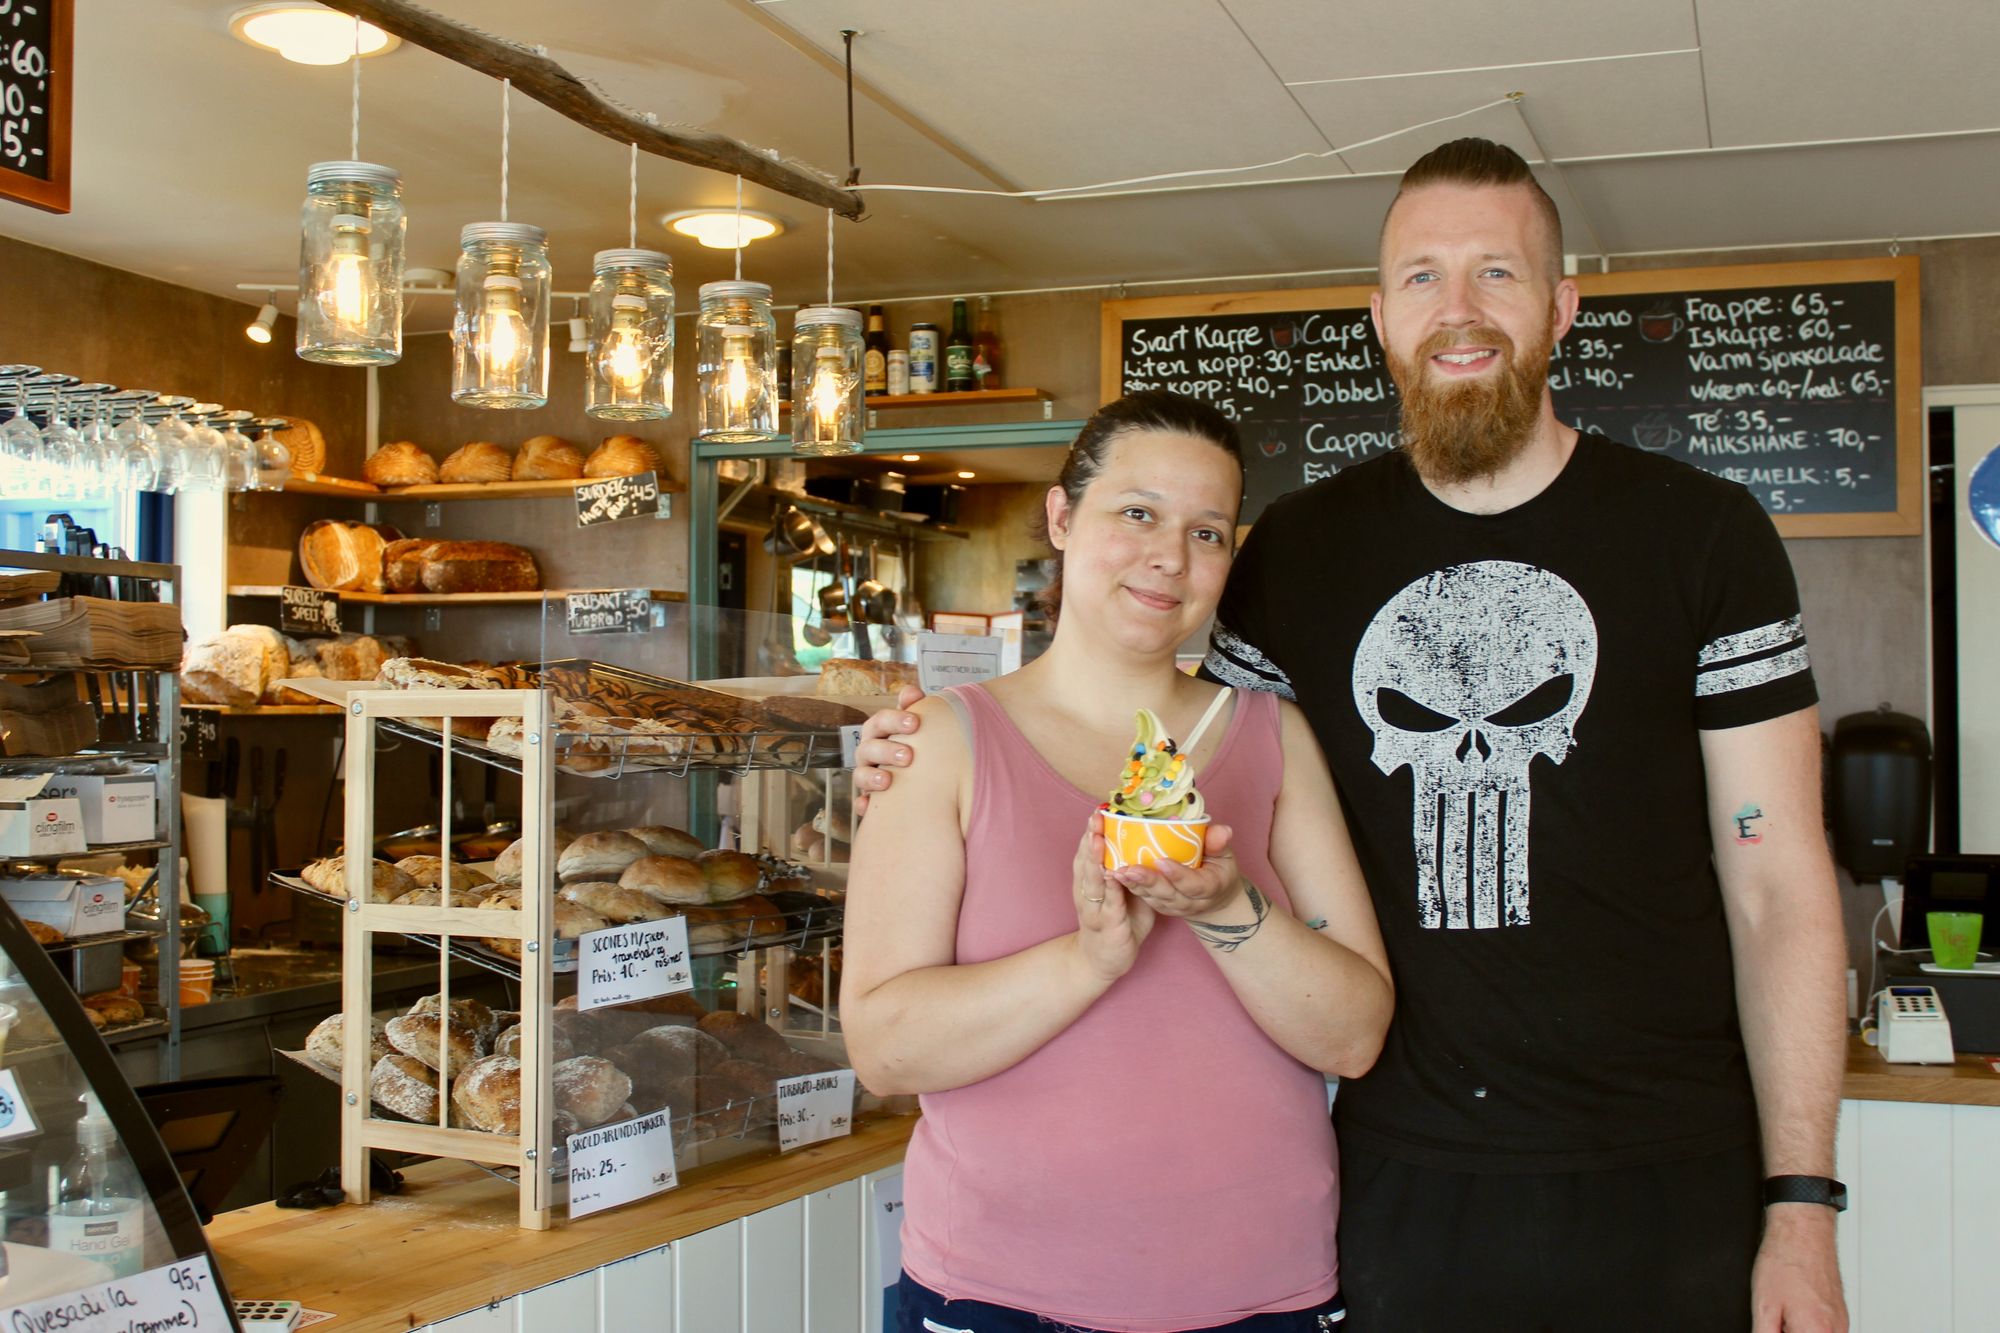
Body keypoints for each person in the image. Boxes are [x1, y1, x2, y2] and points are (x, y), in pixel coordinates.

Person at [855, 140, 1849, 1333]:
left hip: (1665, 1168)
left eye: (1498, 272)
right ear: (1380, 318)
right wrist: (913, 744)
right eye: (1422, 277)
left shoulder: (1702, 536)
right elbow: (1160, 720)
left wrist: (1799, 1203)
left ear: (1562, 307)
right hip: (1391, 1185)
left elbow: (1776, 883)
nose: (1460, 310)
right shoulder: (1298, 554)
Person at [841, 391, 1393, 1333]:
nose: (1169, 557)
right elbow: (885, 1048)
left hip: (1265, 1293)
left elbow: (1354, 1034)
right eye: (1136, 512)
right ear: (1063, 517)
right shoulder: (940, 742)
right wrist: (1088, 958)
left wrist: (1226, 908)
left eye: (1207, 532)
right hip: (998, 1299)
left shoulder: (1272, 736)